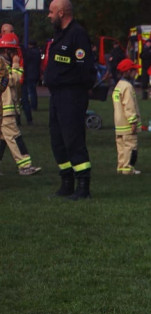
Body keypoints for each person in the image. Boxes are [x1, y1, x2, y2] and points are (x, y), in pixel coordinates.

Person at [44, 0, 94, 200]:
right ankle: (66, 182)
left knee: (73, 139)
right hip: (57, 95)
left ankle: (83, 185)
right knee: (58, 140)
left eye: (51, 12)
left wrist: (73, 87)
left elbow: (84, 69)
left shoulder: (77, 34)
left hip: (72, 95)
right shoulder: (60, 34)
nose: (49, 16)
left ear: (61, 12)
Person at [0, 33, 41, 175]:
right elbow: (12, 81)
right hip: (5, 110)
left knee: (3, 140)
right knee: (15, 137)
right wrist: (17, 66)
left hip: (5, 108)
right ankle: (25, 166)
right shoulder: (2, 64)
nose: (15, 54)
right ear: (7, 51)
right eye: (13, 51)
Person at [112, 58, 141, 175]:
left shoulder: (118, 85)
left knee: (121, 146)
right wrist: (133, 121)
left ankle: (121, 166)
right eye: (134, 70)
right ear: (128, 72)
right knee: (130, 145)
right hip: (127, 123)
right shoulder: (127, 87)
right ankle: (128, 168)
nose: (135, 73)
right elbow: (129, 105)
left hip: (118, 123)